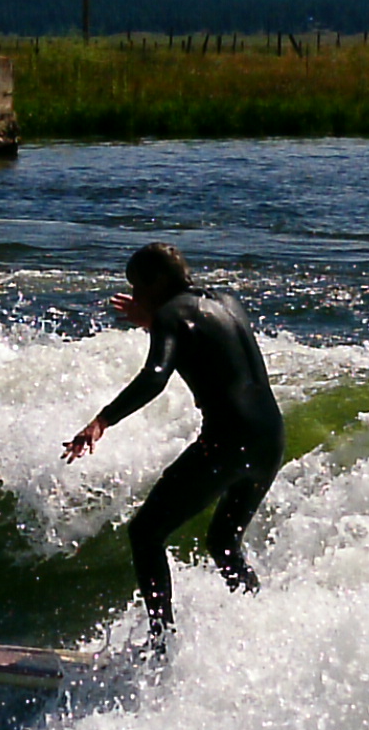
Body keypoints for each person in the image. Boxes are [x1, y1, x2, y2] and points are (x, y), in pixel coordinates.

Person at [62, 243, 284, 638]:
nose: (135, 296)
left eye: (138, 287)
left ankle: (161, 642)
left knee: (145, 533)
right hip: (269, 438)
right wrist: (152, 319)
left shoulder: (170, 315)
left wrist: (102, 421)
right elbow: (204, 338)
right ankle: (263, 627)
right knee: (224, 543)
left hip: (227, 442)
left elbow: (155, 376)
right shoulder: (228, 301)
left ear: (159, 281)